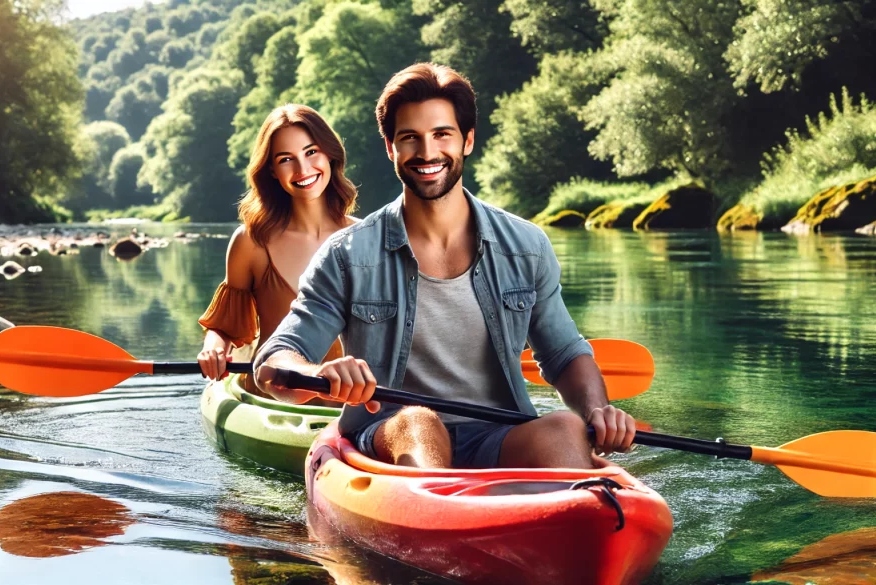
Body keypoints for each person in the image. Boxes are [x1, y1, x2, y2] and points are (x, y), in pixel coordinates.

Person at [254, 63, 635, 469]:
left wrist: (597, 410)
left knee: (564, 428)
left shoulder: (526, 246)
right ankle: (436, 518)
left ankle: (568, 514)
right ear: (390, 148)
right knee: (419, 422)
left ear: (467, 140)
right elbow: (274, 362)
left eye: (442, 134)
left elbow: (564, 354)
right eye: (410, 138)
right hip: (389, 433)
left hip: (501, 434)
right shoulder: (346, 255)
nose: (427, 152)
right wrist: (320, 374)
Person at [197, 104, 357, 400]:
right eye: (286, 159)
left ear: (330, 154)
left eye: (311, 152)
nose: (303, 169)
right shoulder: (251, 242)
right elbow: (226, 328)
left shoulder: (364, 237)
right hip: (273, 398)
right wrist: (214, 347)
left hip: (351, 403)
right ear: (271, 169)